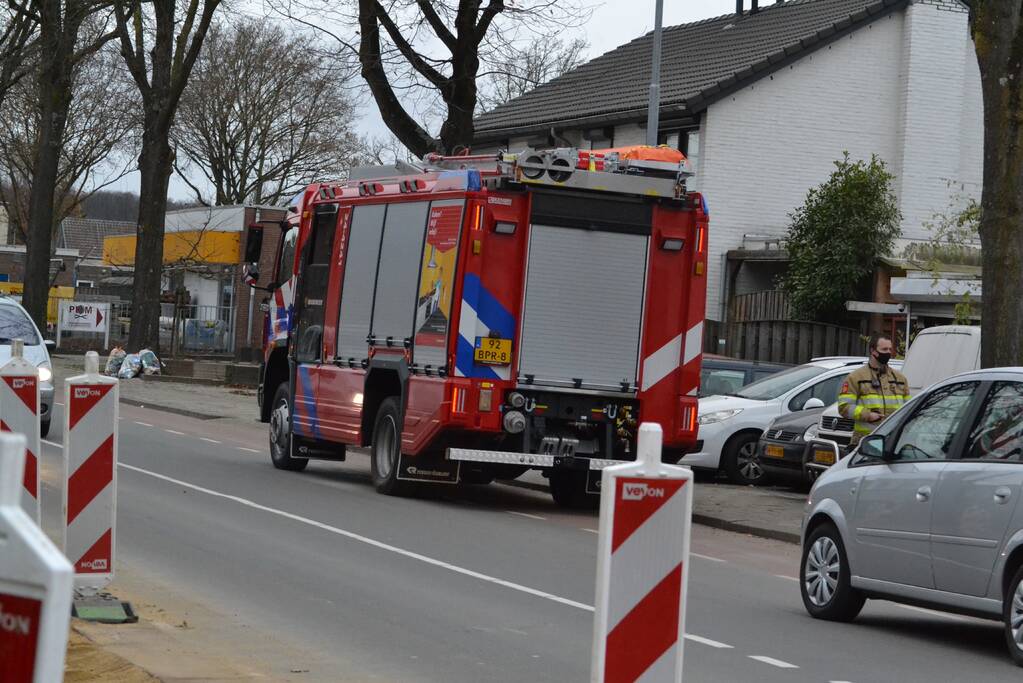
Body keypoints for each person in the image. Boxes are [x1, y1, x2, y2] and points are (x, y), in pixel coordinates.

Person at [838, 334, 911, 446]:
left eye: (890, 349)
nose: (888, 353)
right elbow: (844, 407)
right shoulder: (856, 377)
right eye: (884, 349)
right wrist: (867, 415)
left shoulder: (900, 379)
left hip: (893, 441)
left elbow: (909, 408)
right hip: (865, 441)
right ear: (873, 351)